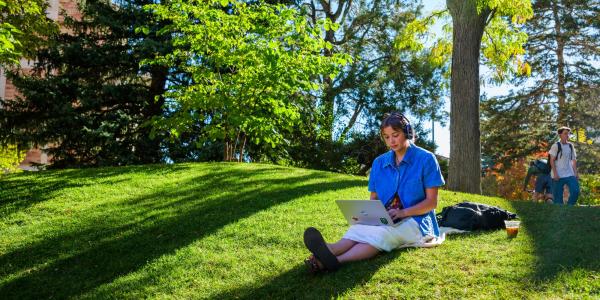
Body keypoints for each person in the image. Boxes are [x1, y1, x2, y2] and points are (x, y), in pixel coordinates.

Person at [302, 111, 445, 273]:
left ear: (407, 132)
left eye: (395, 135)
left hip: (416, 220)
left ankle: (335, 260)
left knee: (382, 234)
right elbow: (374, 199)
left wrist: (403, 212)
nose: (391, 141)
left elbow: (431, 203)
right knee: (359, 228)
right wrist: (367, 215)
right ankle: (331, 249)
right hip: (386, 216)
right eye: (386, 137)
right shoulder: (379, 163)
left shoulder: (426, 159)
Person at [548, 126, 580, 205]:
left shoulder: (570, 146)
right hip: (558, 175)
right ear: (560, 135)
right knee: (558, 200)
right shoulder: (556, 146)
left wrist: (575, 173)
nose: (567, 135)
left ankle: (569, 207)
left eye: (568, 134)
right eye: (565, 133)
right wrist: (555, 174)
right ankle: (560, 213)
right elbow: (551, 160)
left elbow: (574, 160)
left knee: (575, 190)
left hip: (570, 174)